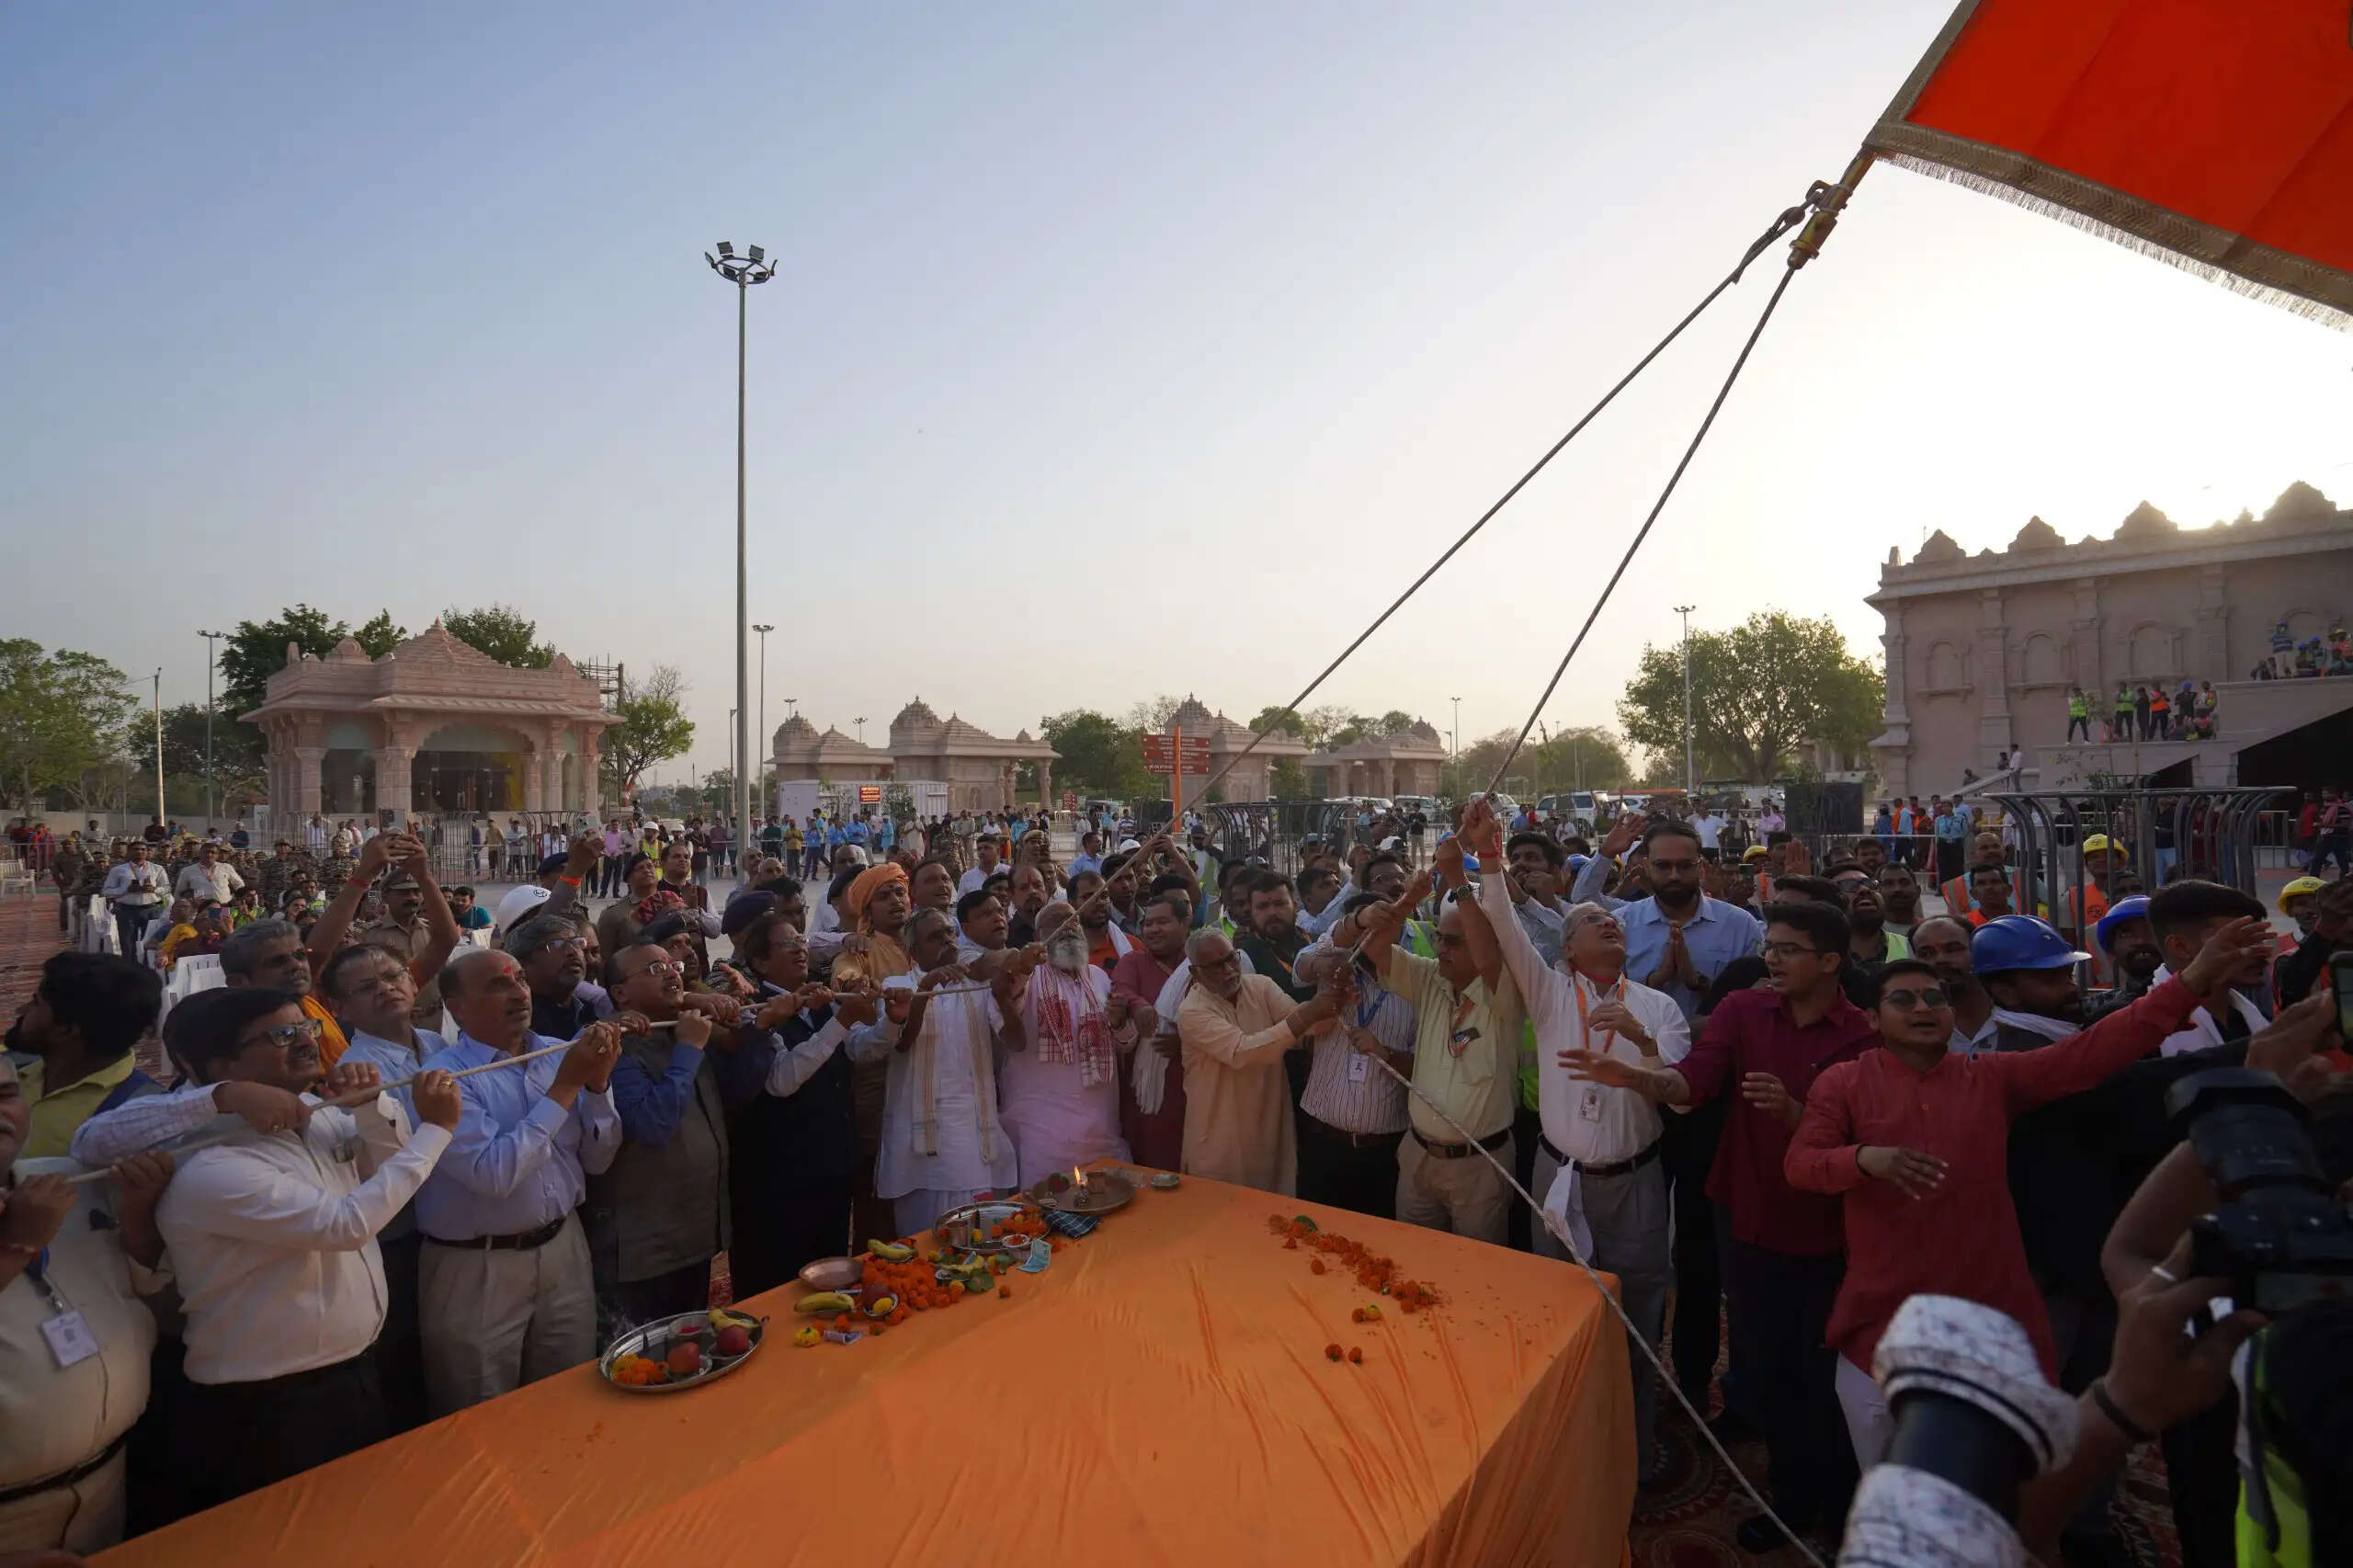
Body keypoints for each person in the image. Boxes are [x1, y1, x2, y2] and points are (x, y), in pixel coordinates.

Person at [1784, 916, 2270, 1471]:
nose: (1924, 1009)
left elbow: (2093, 1053)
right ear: (1872, 1018)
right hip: (1880, 1317)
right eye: (1904, 1000)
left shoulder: (1990, 1077)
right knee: (1887, 1480)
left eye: (1934, 998)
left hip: (1990, 1314)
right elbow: (1801, 1165)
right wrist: (1863, 1159)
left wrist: (2188, 983)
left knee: (2000, 1482)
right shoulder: (1843, 1083)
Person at [1563, 898, 1874, 1551]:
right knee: (1771, 1371)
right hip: (1748, 1218)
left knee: (1832, 1381)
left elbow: (1867, 1138)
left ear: (1830, 962)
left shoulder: (1863, 1038)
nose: (1772, 958)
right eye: (1772, 946)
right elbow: (1693, 1083)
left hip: (1833, 1233)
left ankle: (1847, 1513)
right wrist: (1638, 1076)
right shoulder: (1742, 1012)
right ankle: (1789, 1500)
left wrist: (1798, 1118)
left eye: (1789, 949)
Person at [143, 988, 460, 1511]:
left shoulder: (314, 1112)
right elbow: (347, 1224)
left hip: (350, 1374)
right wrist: (438, 1129)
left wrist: (370, 1109)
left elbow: (389, 1173)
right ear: (220, 1066)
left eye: (306, 1028)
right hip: (271, 1405)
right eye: (280, 1035)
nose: (306, 1043)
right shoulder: (209, 1164)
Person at [412, 949, 623, 1415]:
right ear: (456, 1007)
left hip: (564, 1247)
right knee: (481, 1412)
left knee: (568, 1399)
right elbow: (495, 1174)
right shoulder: (444, 1079)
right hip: (478, 1269)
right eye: (497, 985)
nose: (518, 992)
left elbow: (599, 1159)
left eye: (522, 979)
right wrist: (568, 1087)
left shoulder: (556, 1053)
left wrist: (598, 1087)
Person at [0, 1054, 171, 1555]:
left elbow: (137, 1285)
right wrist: (16, 1247)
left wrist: (139, 1213)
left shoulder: (67, 1180)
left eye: (6, 1097)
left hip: (111, 1486)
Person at [588, 944, 768, 1329]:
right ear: (620, 993)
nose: (672, 973)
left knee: (693, 1345)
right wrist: (688, 1051)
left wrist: (752, 1032)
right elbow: (653, 1126)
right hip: (647, 1248)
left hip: (694, 1232)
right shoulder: (615, 1044)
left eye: (674, 965)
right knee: (651, 1359)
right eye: (655, 968)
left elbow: (739, 1094)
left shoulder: (684, 1028)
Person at [725, 913, 883, 1295]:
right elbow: (782, 1079)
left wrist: (892, 1021)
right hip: (781, 1181)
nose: (799, 949)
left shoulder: (821, 1000)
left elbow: (860, 1049)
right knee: (780, 1285)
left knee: (829, 1277)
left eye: (801, 941)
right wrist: (842, 1020)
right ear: (760, 961)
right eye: (786, 944)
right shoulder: (753, 1011)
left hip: (832, 1166)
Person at [846, 906, 1024, 1235]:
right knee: (928, 1253)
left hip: (976, 1144)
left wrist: (1003, 998)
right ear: (913, 952)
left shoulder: (977, 986)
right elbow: (900, 1044)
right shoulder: (897, 985)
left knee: (983, 1244)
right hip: (919, 1151)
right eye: (934, 937)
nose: (946, 941)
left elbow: (1016, 1042)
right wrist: (926, 989)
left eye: (950, 933)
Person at [1176, 929, 1347, 1196]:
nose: (1229, 970)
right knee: (1219, 1226)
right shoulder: (1192, 1011)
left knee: (1273, 1222)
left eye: (1231, 959)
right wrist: (1313, 1010)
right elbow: (1244, 1052)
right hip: (1220, 1143)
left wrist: (1336, 998)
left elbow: (1310, 1026)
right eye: (1215, 966)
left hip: (1269, 1134)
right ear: (1195, 974)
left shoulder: (1261, 986)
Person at [1288, 894, 1415, 1220]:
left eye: (1385, 928)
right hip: (1321, 1143)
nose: (1374, 937)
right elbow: (1301, 966)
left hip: (1386, 1152)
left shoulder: (1419, 984)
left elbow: (1424, 1069)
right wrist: (1355, 925)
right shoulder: (1332, 972)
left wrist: (1385, 1053)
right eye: (1365, 929)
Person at [999, 903, 1129, 1187]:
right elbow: (1009, 1029)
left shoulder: (1099, 978)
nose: (1069, 928)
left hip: (1101, 1126)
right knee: (1048, 1213)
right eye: (1058, 922)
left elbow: (1123, 1042)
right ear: (1038, 935)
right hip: (1042, 1134)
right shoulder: (1023, 978)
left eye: (1074, 922)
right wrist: (1022, 967)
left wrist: (1120, 1022)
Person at [2, 954, 165, 1161]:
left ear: (66, 1030)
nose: (21, 1010)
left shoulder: (142, 1116)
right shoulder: (11, 1068)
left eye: (36, 1004)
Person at [1108, 893, 1190, 1171]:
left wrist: (1187, 1040)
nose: (1153, 929)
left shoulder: (1200, 964)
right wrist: (1140, 1007)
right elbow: (1122, 989)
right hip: (1147, 1094)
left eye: (1163, 922)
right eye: (1148, 923)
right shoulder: (1133, 962)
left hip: (1195, 1084)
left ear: (1185, 923)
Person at [99, 842, 169, 960]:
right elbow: (106, 891)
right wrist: (126, 890)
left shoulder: (157, 868)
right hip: (127, 910)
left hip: (151, 909)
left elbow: (167, 888)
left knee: (151, 943)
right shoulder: (118, 870)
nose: (139, 852)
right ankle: (129, 969)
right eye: (136, 849)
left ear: (147, 852)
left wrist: (154, 889)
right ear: (129, 852)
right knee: (127, 943)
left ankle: (148, 968)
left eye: (143, 849)